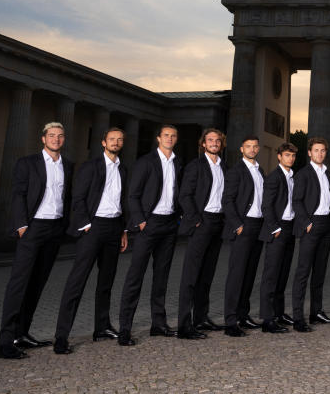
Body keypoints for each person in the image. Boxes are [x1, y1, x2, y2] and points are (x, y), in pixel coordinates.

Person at [0, 122, 74, 360]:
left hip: (54, 229)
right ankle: (5, 342)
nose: (56, 139)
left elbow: (68, 198)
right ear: (43, 138)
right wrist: (22, 226)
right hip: (33, 228)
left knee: (38, 282)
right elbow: (18, 194)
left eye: (60, 136)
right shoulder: (27, 163)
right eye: (51, 135)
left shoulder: (68, 166)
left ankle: (22, 334)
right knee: (19, 284)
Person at [52, 127, 128, 354]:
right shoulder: (90, 166)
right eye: (112, 139)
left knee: (106, 282)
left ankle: (102, 328)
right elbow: (78, 198)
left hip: (114, 227)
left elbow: (123, 201)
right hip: (92, 227)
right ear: (103, 142)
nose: (116, 142)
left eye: (119, 140)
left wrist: (123, 229)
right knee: (77, 282)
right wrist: (86, 225)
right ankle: (61, 336)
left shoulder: (123, 168)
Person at [118, 125, 182, 346]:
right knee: (135, 277)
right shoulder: (146, 162)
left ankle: (158, 324)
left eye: (173, 136)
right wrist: (142, 222)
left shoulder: (177, 162)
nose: (170, 138)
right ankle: (124, 329)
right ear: (158, 138)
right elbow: (133, 195)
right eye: (166, 135)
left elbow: (179, 193)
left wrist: (179, 219)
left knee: (161, 277)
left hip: (169, 224)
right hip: (149, 224)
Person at [176, 128, 228, 339]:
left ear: (221, 144)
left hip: (218, 223)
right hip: (202, 221)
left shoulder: (225, 167)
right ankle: (184, 325)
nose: (214, 143)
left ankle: (201, 317)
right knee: (191, 275)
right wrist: (196, 219)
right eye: (210, 140)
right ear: (203, 144)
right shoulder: (195, 166)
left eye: (217, 140)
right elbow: (184, 195)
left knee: (207, 274)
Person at [221, 135, 266, 337]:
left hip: (258, 225)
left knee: (249, 274)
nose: (252, 149)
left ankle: (243, 315)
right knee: (236, 274)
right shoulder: (235, 171)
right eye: (248, 146)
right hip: (244, 225)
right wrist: (238, 225)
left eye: (255, 146)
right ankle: (230, 321)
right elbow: (227, 200)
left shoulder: (260, 170)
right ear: (241, 149)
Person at [289, 137, 330, 332]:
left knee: (320, 271)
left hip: (325, 225)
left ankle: (316, 312)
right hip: (311, 224)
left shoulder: (326, 173)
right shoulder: (303, 174)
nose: (320, 154)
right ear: (309, 153)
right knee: (303, 272)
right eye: (316, 150)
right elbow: (297, 200)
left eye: (323, 150)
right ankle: (298, 318)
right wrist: (306, 222)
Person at [258, 142, 299, 333]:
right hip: (278, 229)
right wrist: (275, 228)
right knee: (271, 275)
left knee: (283, 274)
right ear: (279, 156)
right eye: (287, 155)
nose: (290, 158)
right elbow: (266, 205)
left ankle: (279, 313)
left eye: (292, 155)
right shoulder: (274, 177)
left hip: (290, 228)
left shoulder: (292, 177)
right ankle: (267, 319)